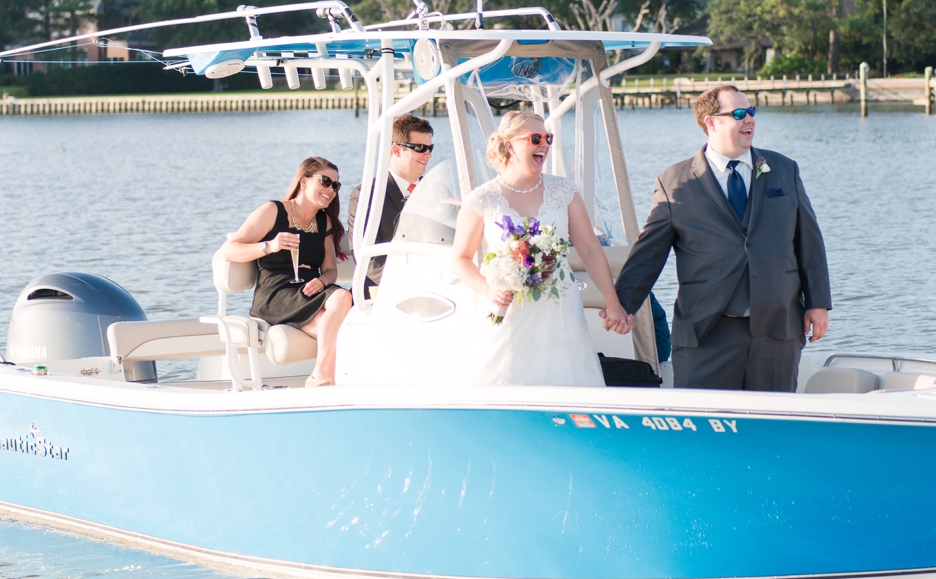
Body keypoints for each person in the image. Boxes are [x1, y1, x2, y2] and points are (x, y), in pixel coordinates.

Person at [615, 85, 830, 392]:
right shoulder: (674, 182)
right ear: (711, 123)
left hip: (776, 329)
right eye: (739, 114)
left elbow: (809, 242)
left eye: (752, 112)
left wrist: (818, 303)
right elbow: (649, 253)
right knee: (702, 433)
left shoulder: (784, 169)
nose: (750, 120)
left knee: (772, 429)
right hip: (706, 333)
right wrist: (622, 305)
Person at [450, 110, 632, 386]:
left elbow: (591, 250)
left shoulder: (564, 192)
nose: (545, 144)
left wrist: (613, 301)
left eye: (548, 137)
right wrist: (490, 291)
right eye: (536, 138)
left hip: (559, 310)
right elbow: (460, 259)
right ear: (510, 145)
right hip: (507, 311)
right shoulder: (482, 199)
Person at [222, 156, 354, 387]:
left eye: (335, 185)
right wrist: (269, 246)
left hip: (310, 290)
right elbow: (229, 251)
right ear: (303, 181)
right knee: (342, 302)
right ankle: (322, 377)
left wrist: (322, 282)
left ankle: (322, 378)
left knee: (342, 310)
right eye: (325, 181)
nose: (331, 189)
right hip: (276, 292)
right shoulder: (273, 211)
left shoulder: (325, 222)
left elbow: (331, 270)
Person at [347, 113, 433, 297]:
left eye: (430, 147)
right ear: (396, 150)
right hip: (382, 293)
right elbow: (368, 259)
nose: (428, 154)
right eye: (420, 148)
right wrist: (412, 282)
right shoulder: (367, 195)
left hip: (434, 287)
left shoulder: (436, 191)